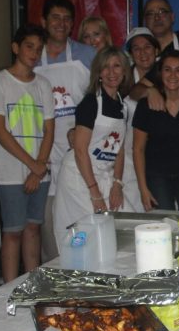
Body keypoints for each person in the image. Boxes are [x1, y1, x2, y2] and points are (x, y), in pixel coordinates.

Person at [0, 25, 55, 282]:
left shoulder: (43, 84)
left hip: (39, 170)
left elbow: (49, 129)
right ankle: (10, 288)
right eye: (29, 46)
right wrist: (32, 165)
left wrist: (39, 167)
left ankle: (33, 284)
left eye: (38, 48)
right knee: (13, 231)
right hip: (11, 171)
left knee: (33, 229)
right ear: (15, 48)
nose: (34, 53)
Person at [36, 0, 95, 263]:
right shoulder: (32, 56)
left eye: (67, 19)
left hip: (80, 154)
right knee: (50, 231)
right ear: (43, 21)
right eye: (55, 18)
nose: (61, 23)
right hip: (44, 154)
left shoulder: (87, 55)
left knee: (83, 228)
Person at [54, 47, 135, 239]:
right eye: (105, 67)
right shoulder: (90, 103)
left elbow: (119, 150)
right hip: (80, 178)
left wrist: (117, 184)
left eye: (117, 66)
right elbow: (80, 151)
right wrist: (95, 193)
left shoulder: (123, 107)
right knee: (90, 236)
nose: (111, 72)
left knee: (128, 224)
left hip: (105, 176)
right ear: (98, 73)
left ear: (124, 71)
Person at [132, 52, 179, 211]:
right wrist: (143, 189)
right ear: (160, 73)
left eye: (178, 70)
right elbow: (138, 149)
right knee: (163, 221)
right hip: (156, 175)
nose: (173, 75)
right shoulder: (146, 105)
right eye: (167, 69)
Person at [120, 28, 162, 212]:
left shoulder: (168, 77)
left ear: (156, 50)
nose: (142, 53)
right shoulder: (121, 81)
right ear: (130, 54)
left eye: (147, 47)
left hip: (160, 160)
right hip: (129, 160)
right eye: (136, 48)